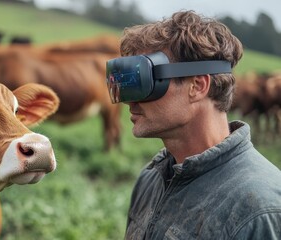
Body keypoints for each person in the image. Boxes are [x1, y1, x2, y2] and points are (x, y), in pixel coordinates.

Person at [106, 10, 281, 239]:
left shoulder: (258, 210)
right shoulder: (152, 179)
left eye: (145, 82)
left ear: (197, 86)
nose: (130, 101)